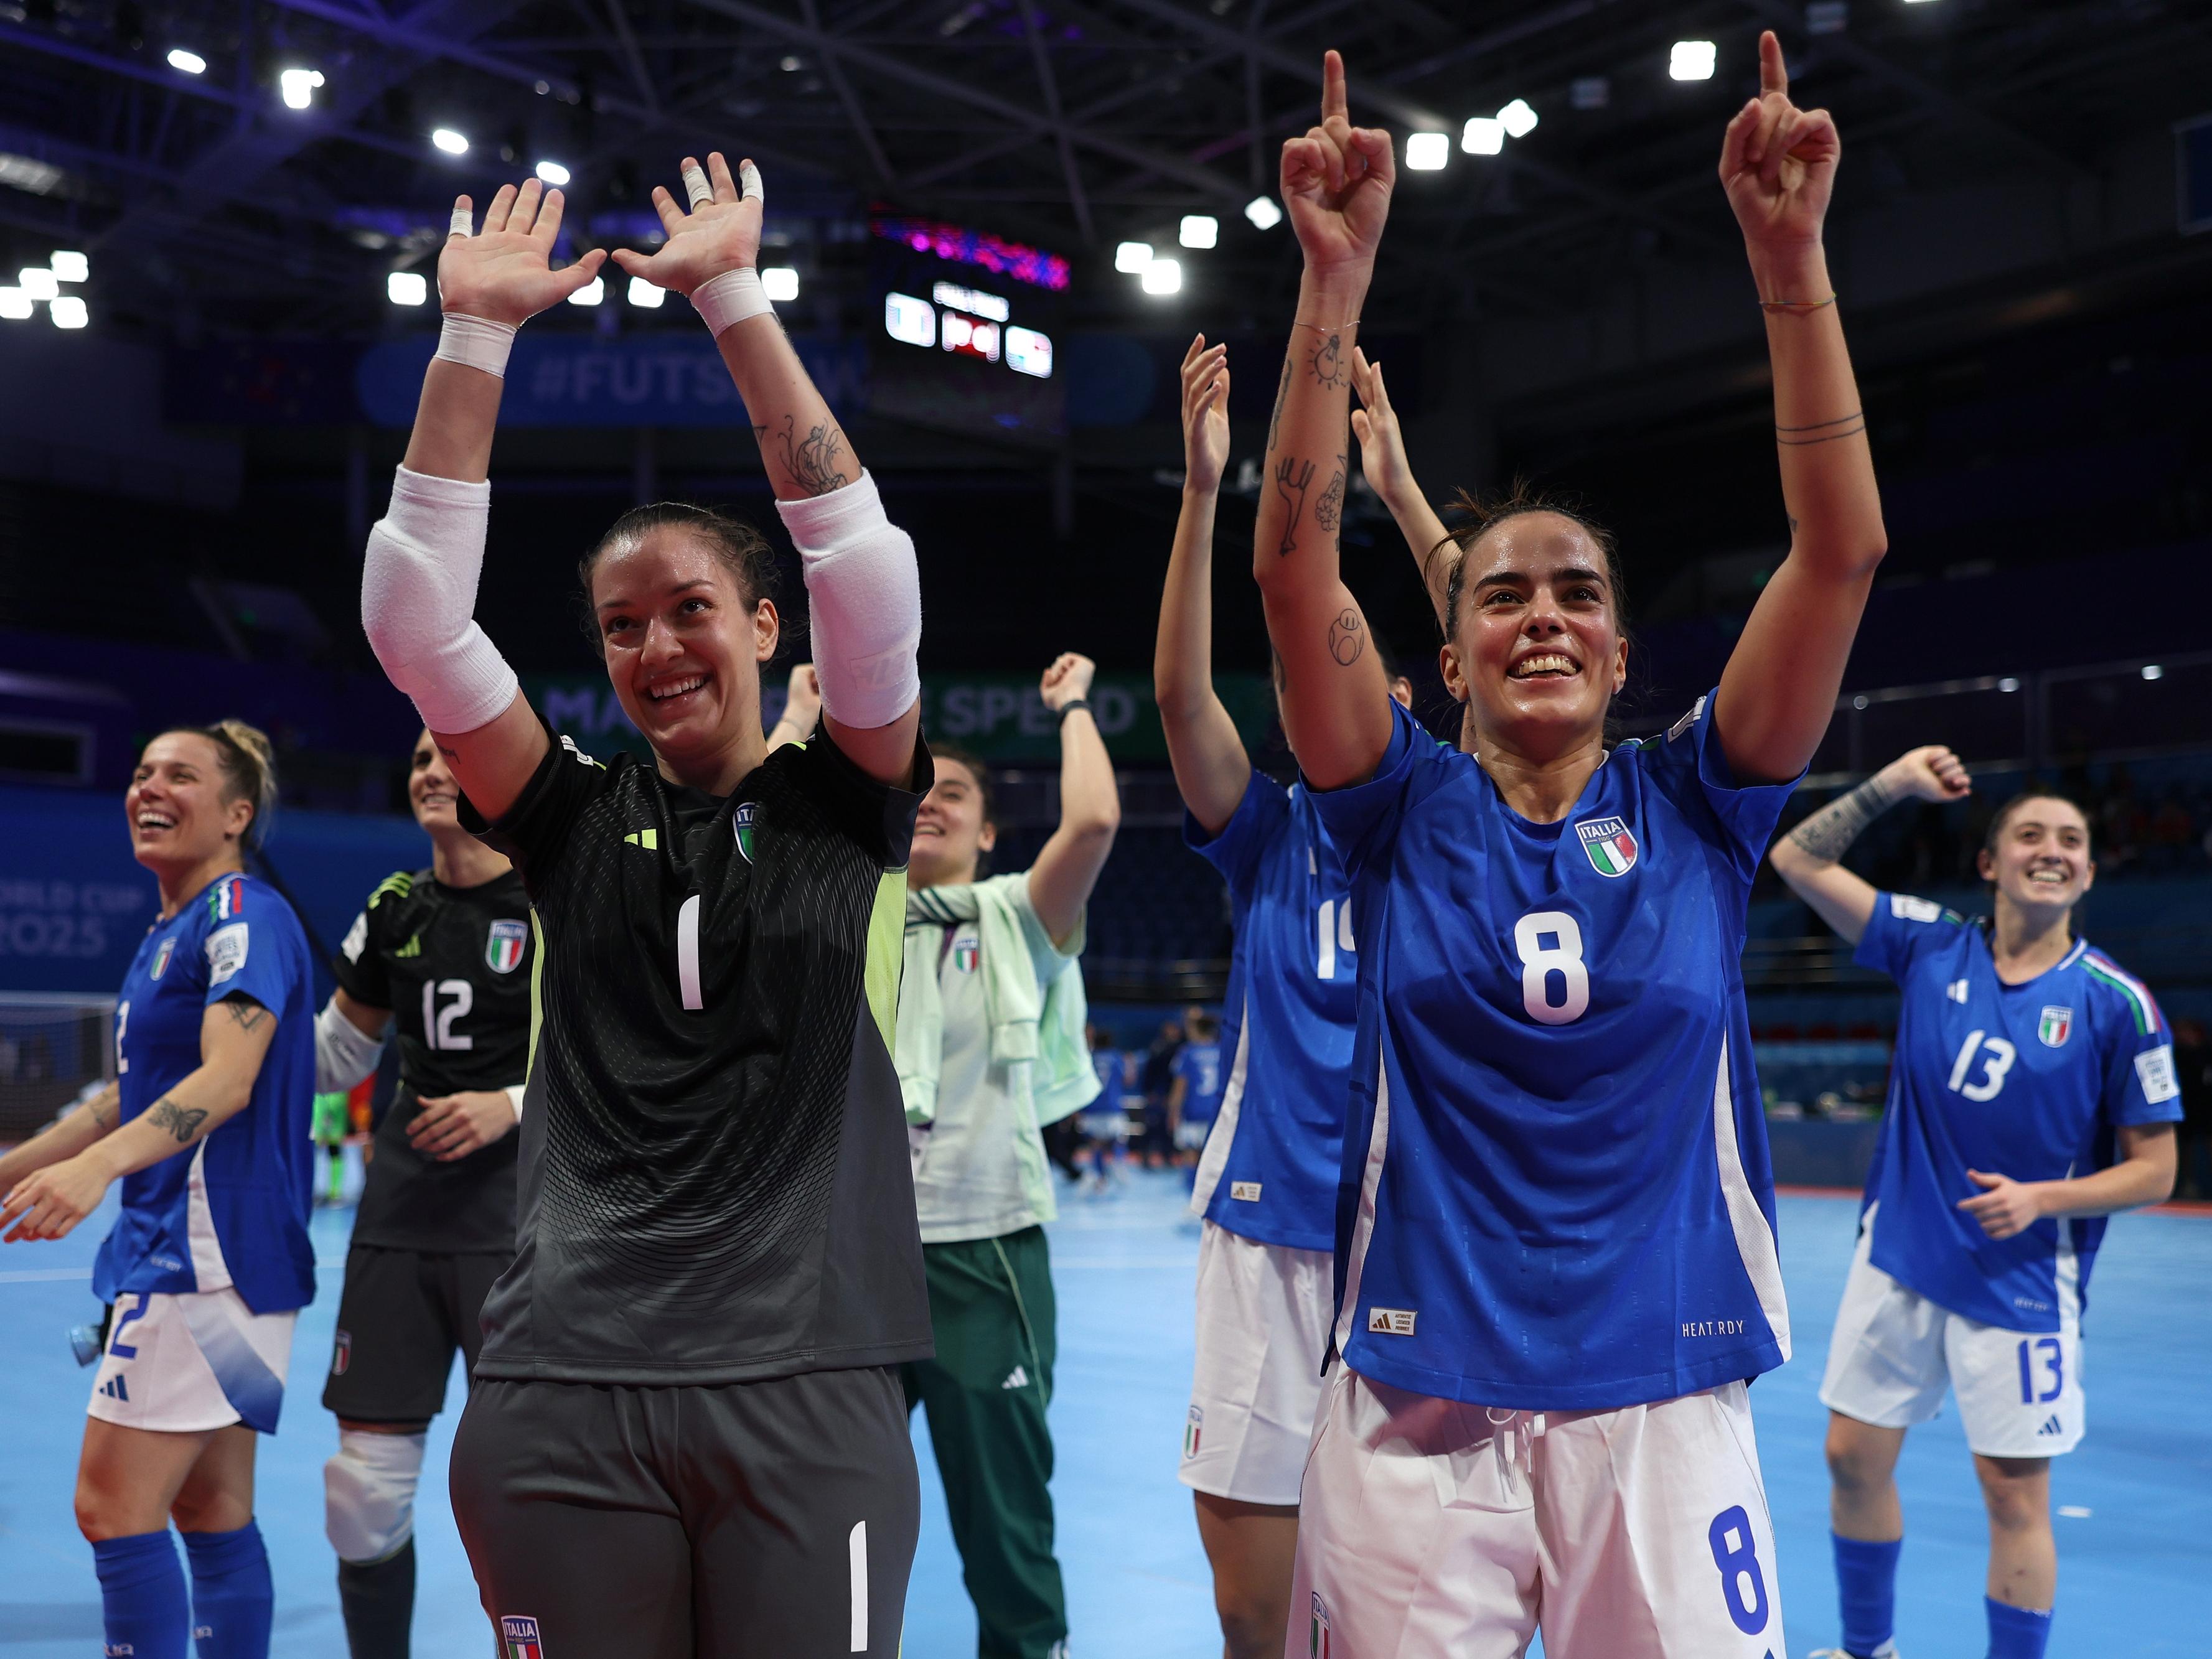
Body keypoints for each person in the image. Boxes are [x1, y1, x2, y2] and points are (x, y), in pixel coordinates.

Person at [1252, 38, 1891, 1656]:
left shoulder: (1700, 804)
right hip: (1410, 1413)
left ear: (1618, 656)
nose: (1542, 611)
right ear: (1451, 657)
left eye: (1577, 594)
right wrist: (1334, 284)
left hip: (1663, 1406)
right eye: (1501, 595)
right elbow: (1289, 566)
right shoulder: (1391, 804)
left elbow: (1843, 549)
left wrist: (1790, 261)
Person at [357, 152, 931, 1656]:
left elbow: (865, 571)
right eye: (621, 625)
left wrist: (730, 295)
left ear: (760, 623)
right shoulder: (567, 814)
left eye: (690, 608)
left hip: (806, 1375)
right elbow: (414, 613)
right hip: (564, 1385)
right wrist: (470, 335)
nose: (657, 644)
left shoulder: (836, 801)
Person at [1769, 752, 2182, 1659]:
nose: (2050, 849)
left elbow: (2155, 1170)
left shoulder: (2118, 1004)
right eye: (2027, 834)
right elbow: (1796, 859)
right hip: (1902, 1252)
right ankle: (1866, 1648)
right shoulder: (1929, 942)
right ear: (1989, 863)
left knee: (2010, 1493)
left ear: (2087, 870)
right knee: (1850, 1458)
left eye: (2069, 840)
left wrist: (2045, 1198)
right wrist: (1890, 787)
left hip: (2024, 1279)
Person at [1154, 331, 1415, 1659]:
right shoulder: (1267, 833)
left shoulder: (1462, 832)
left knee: (1403, 1603)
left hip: (1421, 1244)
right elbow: (1182, 694)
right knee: (1255, 1606)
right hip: (1264, 1236)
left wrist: (1403, 487)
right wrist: (1204, 493)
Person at [0, 721, 314, 1659]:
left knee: (108, 1505)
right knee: (209, 1505)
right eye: (140, 771)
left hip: (203, 1254)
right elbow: (121, 1098)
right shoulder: (172, 930)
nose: (150, 785)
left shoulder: (242, 914)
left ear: (237, 814)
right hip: (204, 1256)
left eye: (181, 774)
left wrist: (96, 1170)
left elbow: (228, 1078)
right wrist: (17, 1165)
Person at [896, 656, 1119, 1659]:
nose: (931, 802)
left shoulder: (1018, 919)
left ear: (989, 831)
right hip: (846, 1265)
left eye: (955, 793)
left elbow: (1094, 826)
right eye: (915, 789)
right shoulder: (835, 916)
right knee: (819, 1519)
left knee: (1004, 1534)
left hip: (981, 1258)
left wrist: (1070, 708)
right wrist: (802, 718)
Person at [312, 728, 535, 1658]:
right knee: (360, 1494)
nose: (435, 772)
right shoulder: (393, 905)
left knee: (523, 1490)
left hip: (519, 1224)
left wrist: (511, 1104)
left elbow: (626, 1056)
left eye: (452, 755)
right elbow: (332, 1060)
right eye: (416, 760)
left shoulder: (553, 898)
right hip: (399, 1215)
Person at [1168, 1008, 1225, 1166]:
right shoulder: (1222, 1052)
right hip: (1216, 1113)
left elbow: (1180, 1087)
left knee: (1190, 1158)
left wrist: (1173, 1112)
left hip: (1192, 1113)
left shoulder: (1187, 1053)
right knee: (1212, 1161)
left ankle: (1191, 1187)